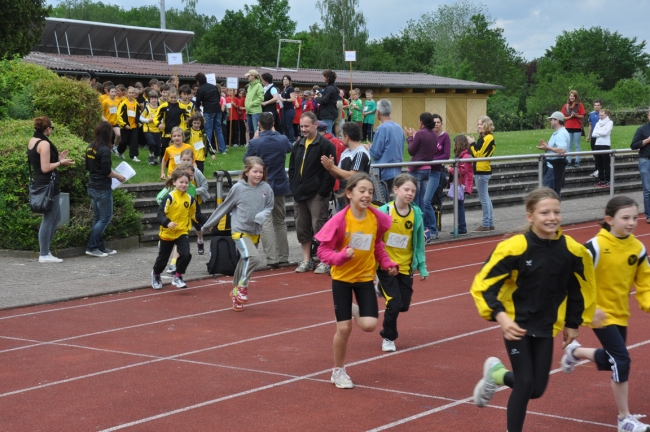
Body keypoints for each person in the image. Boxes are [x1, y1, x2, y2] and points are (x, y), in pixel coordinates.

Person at [470, 187, 596, 432]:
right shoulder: (514, 247)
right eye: (544, 212)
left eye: (556, 212)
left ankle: (496, 374)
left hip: (547, 324)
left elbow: (578, 287)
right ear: (530, 216)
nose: (552, 217)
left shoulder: (571, 250)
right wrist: (501, 317)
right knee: (525, 383)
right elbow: (485, 285)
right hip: (517, 324)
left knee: (536, 389)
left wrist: (572, 323)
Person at [561, 196, 650, 432]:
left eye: (634, 217)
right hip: (599, 315)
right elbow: (575, 279)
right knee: (622, 360)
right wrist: (589, 308)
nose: (631, 222)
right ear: (609, 220)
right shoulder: (595, 246)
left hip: (620, 312)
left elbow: (645, 282)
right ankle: (624, 419)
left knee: (613, 360)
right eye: (625, 218)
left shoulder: (637, 248)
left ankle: (575, 352)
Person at [314, 172, 398, 388]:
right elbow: (323, 252)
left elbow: (378, 246)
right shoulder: (340, 220)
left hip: (365, 278)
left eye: (370, 191)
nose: (367, 195)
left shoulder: (375, 218)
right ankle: (338, 371)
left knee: (369, 325)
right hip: (342, 279)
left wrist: (387, 263)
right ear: (349, 193)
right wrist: (340, 257)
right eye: (362, 191)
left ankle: (350, 308)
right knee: (344, 329)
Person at [202, 157, 274, 311]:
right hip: (239, 231)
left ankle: (235, 293)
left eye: (261, 172)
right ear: (246, 172)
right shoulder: (238, 188)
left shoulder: (266, 189)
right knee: (254, 258)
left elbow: (270, 206)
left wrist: (261, 216)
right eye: (255, 171)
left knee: (244, 261)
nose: (258, 175)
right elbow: (224, 207)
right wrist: (210, 223)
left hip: (255, 231)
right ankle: (242, 287)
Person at [376, 173, 428, 352]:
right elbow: (375, 240)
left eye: (413, 190)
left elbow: (419, 244)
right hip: (386, 266)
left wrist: (422, 266)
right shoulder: (384, 212)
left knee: (404, 305)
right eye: (406, 189)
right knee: (394, 302)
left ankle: (381, 290)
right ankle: (388, 337)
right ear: (395, 190)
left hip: (406, 267)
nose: (410, 193)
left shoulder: (416, 214)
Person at [288, 112, 337, 274]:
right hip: (299, 193)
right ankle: (307, 260)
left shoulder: (325, 145)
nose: (303, 129)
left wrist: (322, 192)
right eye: (301, 126)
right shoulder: (298, 145)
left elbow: (330, 170)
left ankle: (325, 260)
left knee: (320, 226)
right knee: (302, 227)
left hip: (317, 194)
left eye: (306, 126)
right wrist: (294, 186)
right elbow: (293, 169)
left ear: (315, 125)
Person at [244, 112, 293, 268]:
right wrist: (274, 132)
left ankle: (272, 258)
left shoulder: (255, 143)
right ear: (273, 124)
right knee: (280, 221)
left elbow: (246, 159)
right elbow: (289, 148)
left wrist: (258, 138)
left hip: (262, 186)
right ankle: (284, 256)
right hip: (279, 184)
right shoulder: (282, 139)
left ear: (259, 124)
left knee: (266, 222)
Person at [28, 117, 75, 263]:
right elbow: (45, 167)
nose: (52, 131)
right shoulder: (44, 144)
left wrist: (58, 158)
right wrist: (60, 162)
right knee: (48, 219)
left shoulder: (33, 140)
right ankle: (44, 254)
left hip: (43, 182)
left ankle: (46, 251)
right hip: (48, 184)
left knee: (56, 217)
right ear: (48, 129)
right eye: (51, 128)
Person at [151, 169, 197, 290]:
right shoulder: (169, 197)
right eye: (181, 182)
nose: (184, 185)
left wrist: (206, 223)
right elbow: (160, 213)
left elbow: (195, 215)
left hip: (182, 231)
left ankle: (177, 276)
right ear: (174, 183)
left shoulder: (190, 199)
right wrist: (167, 223)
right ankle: (156, 274)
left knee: (186, 255)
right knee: (162, 259)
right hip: (167, 232)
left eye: (186, 182)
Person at [85, 121, 126, 258]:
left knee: (98, 218)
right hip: (102, 188)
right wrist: (118, 176)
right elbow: (106, 172)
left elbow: (90, 167)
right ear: (108, 134)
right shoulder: (104, 150)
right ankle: (91, 246)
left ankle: (99, 246)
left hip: (92, 186)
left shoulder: (90, 147)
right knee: (105, 218)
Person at [321, 122, 371, 210]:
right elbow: (339, 175)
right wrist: (330, 168)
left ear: (347, 137)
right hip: (342, 197)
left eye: (342, 135)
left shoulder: (360, 153)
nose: (341, 138)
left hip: (355, 199)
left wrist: (333, 167)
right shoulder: (346, 152)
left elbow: (353, 175)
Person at [405, 112, 437, 240]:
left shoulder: (420, 133)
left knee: (413, 200)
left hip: (416, 169)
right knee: (421, 201)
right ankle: (422, 228)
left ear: (422, 122)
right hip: (427, 170)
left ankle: (416, 228)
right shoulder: (434, 135)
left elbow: (411, 150)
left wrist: (410, 137)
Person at [368, 99, 404, 200]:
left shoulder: (382, 128)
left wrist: (369, 148)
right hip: (396, 170)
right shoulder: (399, 128)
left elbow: (375, 153)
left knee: (379, 204)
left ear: (378, 112)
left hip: (382, 172)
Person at [469, 116, 495, 232]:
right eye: (478, 124)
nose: (479, 126)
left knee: (484, 198)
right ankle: (489, 223)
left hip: (482, 170)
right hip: (481, 170)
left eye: (481, 124)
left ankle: (486, 224)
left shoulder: (488, 138)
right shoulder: (484, 137)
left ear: (487, 125)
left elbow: (479, 155)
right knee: (486, 198)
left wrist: (472, 144)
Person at [537, 111, 570, 197]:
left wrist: (548, 147)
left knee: (548, 193)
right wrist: (546, 147)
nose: (550, 121)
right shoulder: (558, 133)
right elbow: (554, 149)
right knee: (550, 193)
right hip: (552, 165)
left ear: (557, 121)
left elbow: (562, 149)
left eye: (551, 119)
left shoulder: (561, 133)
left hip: (554, 167)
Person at [194, 72, 226, 155]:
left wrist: (197, 108)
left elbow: (198, 101)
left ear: (198, 81)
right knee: (218, 129)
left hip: (208, 110)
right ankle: (223, 149)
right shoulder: (214, 87)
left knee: (208, 129)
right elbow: (219, 97)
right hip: (217, 109)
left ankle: (209, 149)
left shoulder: (200, 89)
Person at [448, 135, 474, 235]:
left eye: (455, 143)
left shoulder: (465, 156)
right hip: (459, 182)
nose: (454, 145)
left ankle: (462, 227)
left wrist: (450, 169)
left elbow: (461, 171)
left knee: (459, 205)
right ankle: (459, 226)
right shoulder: (461, 155)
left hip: (462, 183)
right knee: (458, 205)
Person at [156, 89, 189, 158]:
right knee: (165, 149)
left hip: (177, 133)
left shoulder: (182, 107)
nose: (173, 99)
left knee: (177, 148)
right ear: (168, 97)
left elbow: (187, 117)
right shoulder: (163, 106)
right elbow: (156, 117)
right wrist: (159, 124)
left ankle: (176, 161)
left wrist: (187, 121)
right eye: (171, 98)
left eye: (175, 98)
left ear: (178, 97)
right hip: (166, 133)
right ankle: (164, 161)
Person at [631, 108, 650, 224]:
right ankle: (649, 215)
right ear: (648, 116)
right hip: (645, 161)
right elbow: (633, 145)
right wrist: (647, 141)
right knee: (648, 190)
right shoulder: (642, 129)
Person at [116, 87, 142, 162]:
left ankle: (134, 156)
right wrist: (124, 124)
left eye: (132, 93)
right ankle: (119, 151)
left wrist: (139, 122)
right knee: (124, 141)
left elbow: (138, 114)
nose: (131, 94)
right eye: (130, 93)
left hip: (134, 126)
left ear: (134, 94)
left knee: (134, 141)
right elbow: (119, 115)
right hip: (125, 127)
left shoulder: (136, 103)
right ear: (127, 94)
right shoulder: (123, 103)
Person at [563, 90, 586, 168]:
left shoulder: (580, 105)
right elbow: (563, 117)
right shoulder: (565, 106)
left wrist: (575, 115)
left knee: (577, 145)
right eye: (571, 96)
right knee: (568, 145)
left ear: (576, 97)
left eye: (573, 96)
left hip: (577, 127)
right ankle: (568, 161)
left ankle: (577, 161)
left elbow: (582, 116)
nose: (572, 97)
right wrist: (570, 117)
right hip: (568, 127)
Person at [592, 109, 614, 188]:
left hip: (605, 144)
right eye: (599, 115)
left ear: (606, 115)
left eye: (602, 115)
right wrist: (601, 132)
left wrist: (599, 132)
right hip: (597, 144)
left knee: (606, 163)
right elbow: (594, 134)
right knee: (599, 163)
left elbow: (606, 133)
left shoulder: (610, 122)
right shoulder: (598, 123)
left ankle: (608, 180)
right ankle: (601, 180)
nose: (600, 116)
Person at [140, 91, 162, 165]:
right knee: (152, 143)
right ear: (149, 99)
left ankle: (155, 159)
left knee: (158, 147)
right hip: (148, 129)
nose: (154, 100)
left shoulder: (159, 109)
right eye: (152, 98)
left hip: (157, 130)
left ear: (158, 99)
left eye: (155, 98)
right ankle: (151, 155)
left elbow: (162, 118)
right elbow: (141, 117)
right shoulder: (147, 109)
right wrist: (147, 120)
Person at [315, 69, 339, 133]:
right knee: (328, 131)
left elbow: (325, 101)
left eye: (324, 76)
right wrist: (322, 97)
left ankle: (336, 143)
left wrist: (317, 98)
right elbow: (328, 99)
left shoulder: (329, 88)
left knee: (327, 132)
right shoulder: (334, 87)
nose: (322, 78)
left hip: (328, 113)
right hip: (331, 112)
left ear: (327, 77)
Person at [244, 70, 264, 139]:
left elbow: (260, 98)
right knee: (251, 131)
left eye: (248, 76)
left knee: (256, 130)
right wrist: (247, 105)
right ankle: (253, 145)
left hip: (256, 111)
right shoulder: (249, 86)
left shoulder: (259, 85)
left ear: (253, 76)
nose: (247, 77)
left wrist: (251, 104)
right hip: (249, 111)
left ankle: (257, 145)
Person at [101, 86, 121, 152]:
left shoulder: (118, 102)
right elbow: (101, 113)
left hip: (115, 122)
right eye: (112, 92)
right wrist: (104, 119)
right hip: (107, 122)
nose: (113, 93)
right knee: (108, 137)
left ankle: (115, 147)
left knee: (118, 135)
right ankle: (107, 149)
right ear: (109, 93)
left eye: (115, 92)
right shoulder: (105, 102)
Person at [587, 99, 603, 179]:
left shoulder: (603, 114)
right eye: (595, 105)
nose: (596, 107)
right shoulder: (591, 114)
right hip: (593, 137)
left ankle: (599, 170)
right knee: (595, 154)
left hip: (600, 137)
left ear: (601, 106)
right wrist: (588, 135)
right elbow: (590, 125)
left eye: (598, 105)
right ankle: (597, 169)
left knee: (599, 154)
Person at [278, 75, 296, 142]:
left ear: (289, 81)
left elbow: (293, 99)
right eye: (284, 79)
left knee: (289, 126)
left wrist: (284, 99)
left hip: (289, 109)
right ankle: (287, 139)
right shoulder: (283, 89)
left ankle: (291, 140)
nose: (285, 81)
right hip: (284, 109)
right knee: (284, 125)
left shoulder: (290, 89)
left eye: (286, 79)